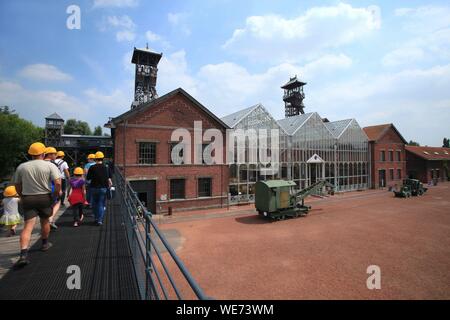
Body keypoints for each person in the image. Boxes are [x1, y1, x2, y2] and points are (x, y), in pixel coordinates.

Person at [13, 142, 61, 268]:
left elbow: (17, 185)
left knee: (28, 226)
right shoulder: (50, 166)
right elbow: (57, 183)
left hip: (28, 198)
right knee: (45, 222)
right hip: (44, 197)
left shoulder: (22, 167)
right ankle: (45, 244)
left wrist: (22, 195)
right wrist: (55, 195)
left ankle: (23, 254)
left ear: (30, 154)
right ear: (43, 153)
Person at [86, 151, 112, 226]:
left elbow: (88, 178)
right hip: (103, 188)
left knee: (94, 203)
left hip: (93, 187)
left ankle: (96, 218)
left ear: (95, 159)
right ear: (102, 158)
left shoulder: (92, 167)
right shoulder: (106, 167)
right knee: (101, 204)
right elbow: (109, 177)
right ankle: (99, 220)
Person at [43, 147, 61, 230]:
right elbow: (57, 179)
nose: (56, 155)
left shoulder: (40, 163)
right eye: (54, 154)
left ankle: (46, 222)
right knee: (57, 203)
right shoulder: (53, 164)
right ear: (49, 154)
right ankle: (50, 219)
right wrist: (59, 189)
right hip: (52, 187)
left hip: (41, 189)